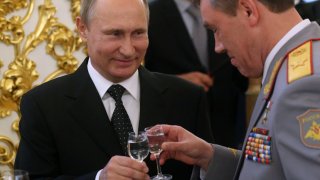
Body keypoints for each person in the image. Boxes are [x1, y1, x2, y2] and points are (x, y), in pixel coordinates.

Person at [14, 0, 214, 179]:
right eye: (114, 34)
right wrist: (99, 178)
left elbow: (209, 172)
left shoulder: (187, 97)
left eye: (138, 33)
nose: (128, 50)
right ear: (83, 28)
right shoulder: (43, 105)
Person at [156, 0, 320, 179]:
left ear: (248, 10)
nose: (218, 46)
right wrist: (210, 157)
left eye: (215, 29)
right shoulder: (298, 64)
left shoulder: (302, 87)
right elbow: (276, 166)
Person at [145, 0, 248, 148]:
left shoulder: (224, 5)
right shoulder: (151, 13)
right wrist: (179, 82)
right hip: (177, 130)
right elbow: (141, 73)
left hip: (226, 126)